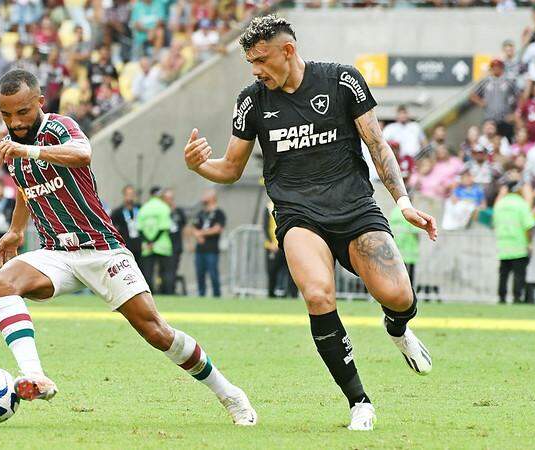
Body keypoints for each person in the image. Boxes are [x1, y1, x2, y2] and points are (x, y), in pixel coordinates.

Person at [183, 16, 436, 430]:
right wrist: (199, 167)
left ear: (288, 51)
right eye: (250, 62)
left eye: (261, 59)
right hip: (299, 215)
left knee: (398, 296)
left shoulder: (341, 81)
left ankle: (398, 328)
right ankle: (360, 403)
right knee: (318, 296)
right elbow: (230, 168)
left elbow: (377, 144)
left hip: (355, 209)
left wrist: (403, 201)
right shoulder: (252, 100)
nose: (255, 70)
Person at [0, 69, 256, 425]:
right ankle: (36, 377)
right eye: (6, 114)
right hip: (58, 254)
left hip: (102, 251)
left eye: (21, 112)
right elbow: (25, 186)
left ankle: (230, 394)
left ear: (39, 102)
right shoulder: (13, 143)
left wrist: (30, 149)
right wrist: (16, 231)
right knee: (2, 282)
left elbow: (83, 153)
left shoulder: (58, 128)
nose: (14, 122)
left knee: (156, 332)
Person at [493, 181, 535, 304]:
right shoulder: (521, 204)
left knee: (503, 274)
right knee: (519, 274)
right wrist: (529, 242)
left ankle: (501, 297)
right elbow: (528, 225)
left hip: (503, 244)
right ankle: (517, 297)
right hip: (518, 244)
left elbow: (494, 223)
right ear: (518, 190)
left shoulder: (500, 204)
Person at [137, 186, 174, 294]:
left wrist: (148, 241)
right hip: (162, 244)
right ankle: (167, 293)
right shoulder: (164, 207)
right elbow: (164, 227)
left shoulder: (144, 208)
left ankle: (149, 294)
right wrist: (154, 241)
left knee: (148, 272)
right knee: (166, 272)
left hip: (147, 246)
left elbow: (139, 229)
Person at [192, 189, 225, 298]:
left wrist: (200, 233)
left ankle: (216, 295)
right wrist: (197, 235)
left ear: (212, 197)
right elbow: (193, 228)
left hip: (212, 250)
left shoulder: (219, 213)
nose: (203, 197)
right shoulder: (201, 213)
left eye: (206, 195)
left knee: (213, 274)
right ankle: (201, 295)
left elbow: (217, 228)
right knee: (200, 274)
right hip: (199, 250)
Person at [162, 188, 186, 295]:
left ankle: (171, 291)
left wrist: (188, 242)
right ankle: (164, 290)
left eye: (171, 198)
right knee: (164, 270)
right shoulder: (161, 211)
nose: (169, 201)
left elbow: (185, 227)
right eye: (167, 198)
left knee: (173, 269)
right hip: (163, 245)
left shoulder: (178, 211)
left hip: (176, 245)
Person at [110, 185, 142, 264]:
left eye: (132, 194)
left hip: (140, 245)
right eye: (128, 194)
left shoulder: (140, 208)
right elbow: (111, 226)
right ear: (124, 195)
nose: (130, 197)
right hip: (126, 246)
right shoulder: (118, 212)